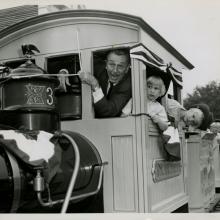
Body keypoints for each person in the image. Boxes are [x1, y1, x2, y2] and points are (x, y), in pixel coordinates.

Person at [79, 49, 131, 118]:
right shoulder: (98, 67)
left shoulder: (128, 84)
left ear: (127, 68)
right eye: (111, 64)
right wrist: (64, 72)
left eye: (120, 66)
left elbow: (108, 112)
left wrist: (95, 85)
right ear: (106, 64)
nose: (115, 70)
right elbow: (76, 63)